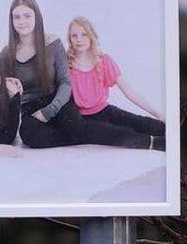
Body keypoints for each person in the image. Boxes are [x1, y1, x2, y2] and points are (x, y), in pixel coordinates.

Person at [24, 14, 166, 150]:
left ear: (91, 35)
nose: (79, 39)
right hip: (77, 119)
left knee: (139, 123)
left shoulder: (104, 61)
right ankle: (152, 143)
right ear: (69, 39)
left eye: (84, 34)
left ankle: (171, 131)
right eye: (74, 35)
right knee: (117, 133)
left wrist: (157, 113)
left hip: (104, 111)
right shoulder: (65, 63)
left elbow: (129, 92)